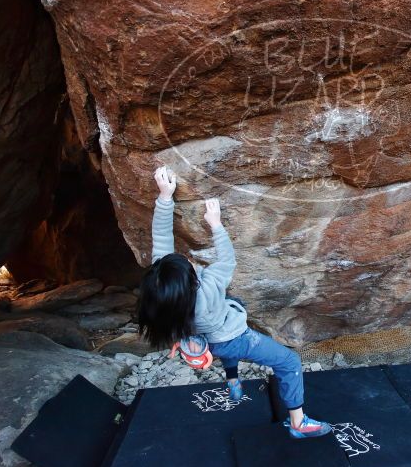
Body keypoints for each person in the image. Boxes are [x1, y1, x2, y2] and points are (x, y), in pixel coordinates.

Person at [137, 165, 332, 439]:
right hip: (232, 336)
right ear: (192, 282)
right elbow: (227, 259)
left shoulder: (161, 288)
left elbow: (161, 240)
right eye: (190, 266)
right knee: (288, 361)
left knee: (232, 309)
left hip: (198, 336)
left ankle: (232, 381)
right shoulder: (209, 288)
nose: (191, 262)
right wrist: (216, 224)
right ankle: (298, 423)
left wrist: (165, 196)